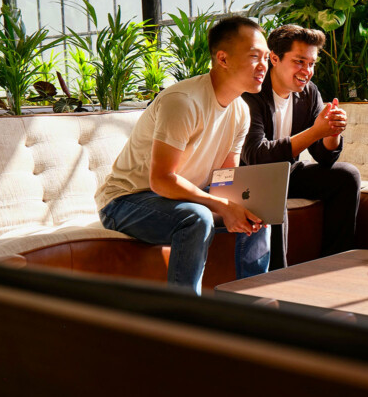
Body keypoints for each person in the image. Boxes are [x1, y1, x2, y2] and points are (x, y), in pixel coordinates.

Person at [95, 15, 272, 295]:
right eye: (254, 56)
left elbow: (224, 183)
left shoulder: (241, 112)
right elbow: (162, 180)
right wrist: (222, 207)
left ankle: (250, 306)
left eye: (266, 57)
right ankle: (186, 317)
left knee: (258, 214)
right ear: (223, 59)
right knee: (197, 217)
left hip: (177, 199)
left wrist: (240, 207)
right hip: (126, 201)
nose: (263, 66)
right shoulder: (183, 102)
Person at [241, 24, 360, 268]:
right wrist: (315, 131)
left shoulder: (308, 93)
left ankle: (333, 264)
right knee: (271, 192)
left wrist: (331, 131)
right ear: (274, 58)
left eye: (312, 63)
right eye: (299, 61)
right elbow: (256, 155)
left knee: (346, 176)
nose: (307, 71)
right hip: (249, 178)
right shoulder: (251, 94)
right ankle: (277, 279)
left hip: (285, 173)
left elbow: (324, 157)